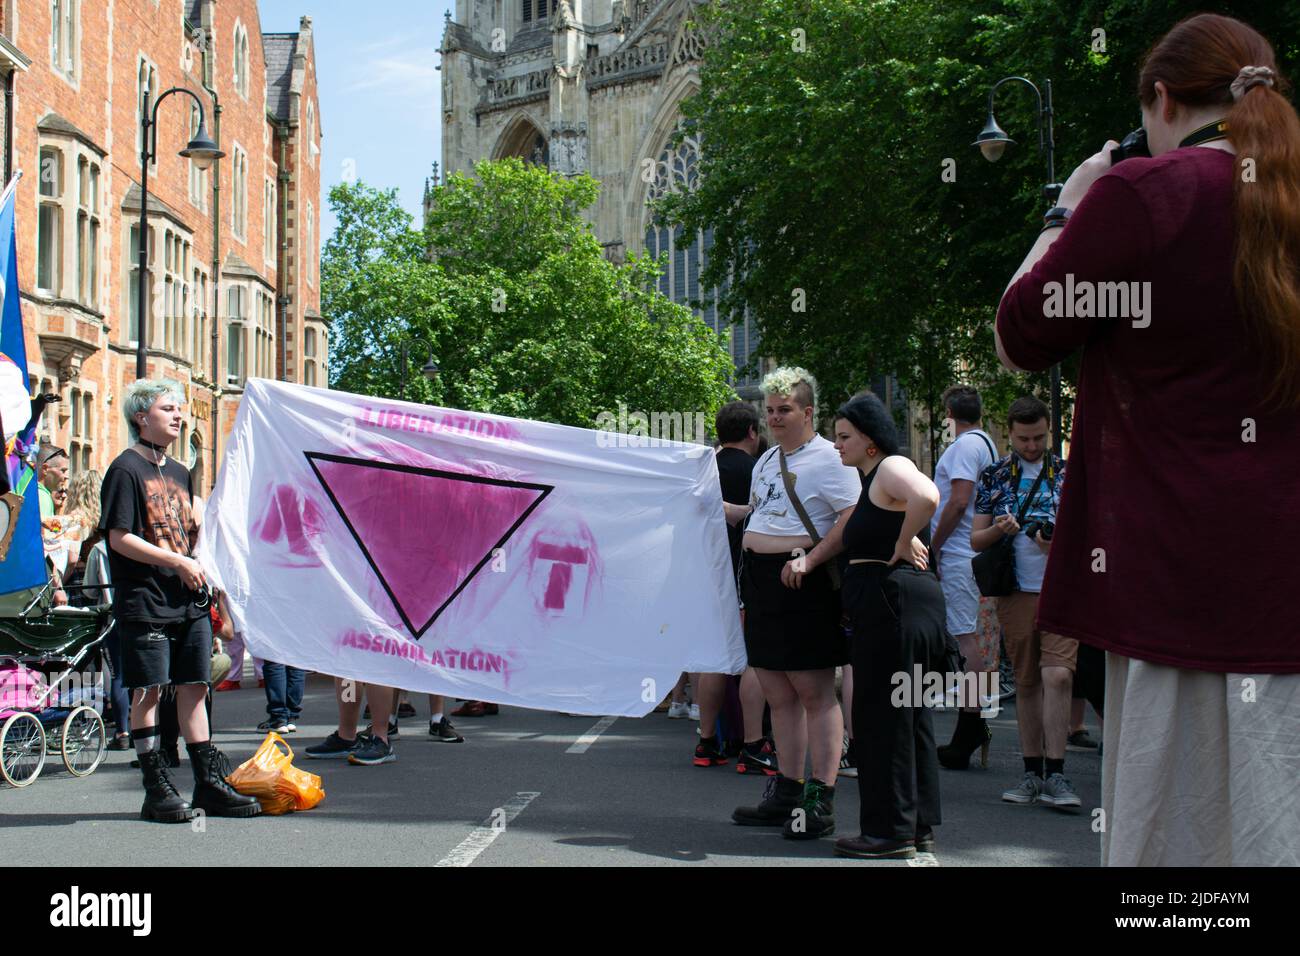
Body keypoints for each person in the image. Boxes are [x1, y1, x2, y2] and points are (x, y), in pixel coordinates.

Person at [994, 12, 1300, 865]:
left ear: (1162, 100)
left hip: (1173, 582)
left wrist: (1071, 202)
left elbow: (1020, 331)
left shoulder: (1148, 196)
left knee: (1174, 844)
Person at [101, 379, 259, 821]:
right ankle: (156, 788)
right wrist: (176, 561)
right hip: (146, 599)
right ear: (141, 417)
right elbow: (119, 537)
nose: (178, 415)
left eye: (179, 408)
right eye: (168, 408)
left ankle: (208, 783)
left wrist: (201, 556)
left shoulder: (179, 470)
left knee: (195, 686)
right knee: (148, 692)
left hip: (188, 599)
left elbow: (189, 534)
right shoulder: (124, 470)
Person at [727, 367, 860, 839]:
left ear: (808, 412)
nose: (775, 418)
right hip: (763, 583)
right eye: (769, 411)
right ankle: (787, 791)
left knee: (813, 693)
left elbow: (852, 519)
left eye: (785, 410)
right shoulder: (764, 461)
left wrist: (810, 560)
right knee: (777, 694)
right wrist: (732, 513)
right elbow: (766, 515)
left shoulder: (830, 458)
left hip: (804, 581)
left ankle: (819, 802)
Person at [822, 393, 947, 860]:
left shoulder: (891, 466)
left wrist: (901, 537)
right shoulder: (874, 480)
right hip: (903, 606)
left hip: (893, 607)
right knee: (909, 717)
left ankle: (888, 832)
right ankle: (914, 828)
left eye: (844, 437)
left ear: (870, 441)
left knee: (882, 719)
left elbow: (929, 495)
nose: (837, 446)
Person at [970, 397, 1075, 811]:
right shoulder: (995, 476)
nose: (1032, 446)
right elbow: (975, 541)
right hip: (1015, 593)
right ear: (1008, 433)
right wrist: (1000, 528)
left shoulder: (1068, 474)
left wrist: (1055, 542)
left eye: (1039, 438)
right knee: (1029, 681)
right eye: (1023, 439)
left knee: (1059, 677)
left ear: (1050, 431)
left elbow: (1091, 536)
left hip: (1061, 591)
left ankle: (1058, 772)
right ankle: (1033, 772)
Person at [694, 401, 771, 772]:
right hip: (746, 575)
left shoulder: (703, 472)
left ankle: (707, 740)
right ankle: (752, 742)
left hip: (706, 574)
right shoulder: (760, 471)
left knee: (714, 659)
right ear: (752, 432)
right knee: (753, 659)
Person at [928, 386, 998, 769]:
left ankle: (971, 723)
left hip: (959, 556)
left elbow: (958, 500)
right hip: (971, 554)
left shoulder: (964, 447)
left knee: (965, 638)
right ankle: (973, 723)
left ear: (950, 413)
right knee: (970, 637)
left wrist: (934, 546)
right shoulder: (986, 443)